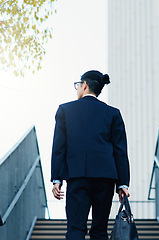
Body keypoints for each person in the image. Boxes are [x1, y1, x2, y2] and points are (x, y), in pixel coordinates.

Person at [51, 70, 131, 240]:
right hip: (105, 178)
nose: (77, 89)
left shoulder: (65, 110)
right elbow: (120, 150)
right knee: (100, 230)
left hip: (77, 175)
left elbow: (59, 147)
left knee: (75, 228)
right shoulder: (113, 113)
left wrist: (57, 179)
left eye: (77, 85)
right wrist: (122, 183)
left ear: (84, 85)